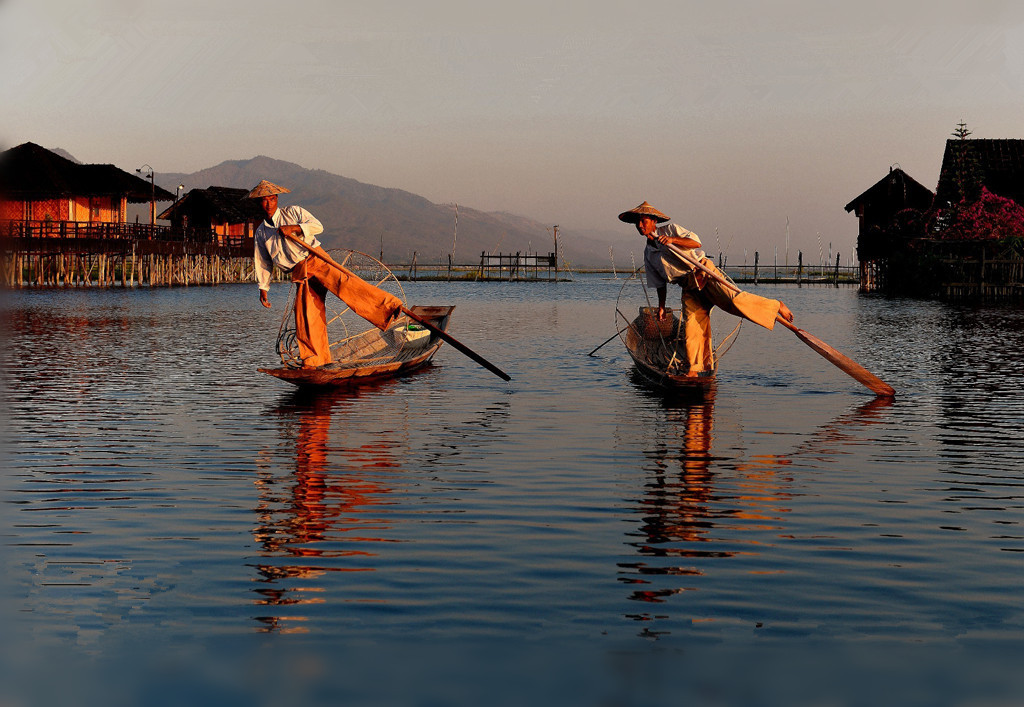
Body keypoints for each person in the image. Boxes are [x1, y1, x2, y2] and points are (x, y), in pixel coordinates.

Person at [618, 201, 794, 377]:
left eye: (644, 221)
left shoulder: (670, 230)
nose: (640, 226)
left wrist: (672, 240)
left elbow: (695, 242)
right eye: (638, 223)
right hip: (688, 286)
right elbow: (659, 283)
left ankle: (776, 305)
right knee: (692, 327)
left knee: (734, 301)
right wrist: (662, 306)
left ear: (654, 221)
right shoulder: (649, 253)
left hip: (703, 273)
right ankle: (694, 370)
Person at [251, 179, 403, 368]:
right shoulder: (261, 233)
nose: (269, 204)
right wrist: (263, 288)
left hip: (316, 258)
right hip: (299, 271)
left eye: (272, 199)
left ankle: (389, 308)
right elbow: (263, 262)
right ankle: (315, 361)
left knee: (348, 285)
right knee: (306, 316)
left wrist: (296, 228)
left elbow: (317, 226)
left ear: (277, 199)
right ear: (258, 203)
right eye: (264, 200)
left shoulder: (292, 212)